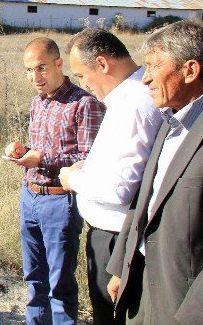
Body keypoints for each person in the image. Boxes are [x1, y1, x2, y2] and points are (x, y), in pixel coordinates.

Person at [58, 28, 162, 325]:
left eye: (80, 75)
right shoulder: (128, 98)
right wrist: (88, 169)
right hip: (114, 237)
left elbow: (121, 188)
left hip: (117, 239)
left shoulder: (135, 105)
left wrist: (73, 180)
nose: (83, 85)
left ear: (102, 64)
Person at [106, 21, 203, 325]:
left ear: (189, 70)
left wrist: (192, 315)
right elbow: (144, 200)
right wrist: (122, 264)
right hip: (142, 283)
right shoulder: (169, 122)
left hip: (183, 300)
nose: (145, 78)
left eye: (153, 67)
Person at [4, 37, 105, 325]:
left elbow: (88, 157)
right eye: (28, 70)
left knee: (59, 284)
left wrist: (41, 157)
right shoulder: (38, 102)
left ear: (59, 64)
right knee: (34, 279)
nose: (34, 77)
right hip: (31, 195)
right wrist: (22, 151)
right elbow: (40, 148)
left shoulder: (85, 103)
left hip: (61, 201)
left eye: (41, 68)